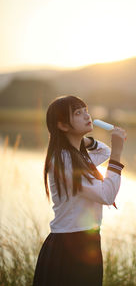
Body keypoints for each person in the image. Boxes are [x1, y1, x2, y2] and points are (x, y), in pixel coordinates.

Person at [32, 95, 127, 286]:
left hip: (86, 241)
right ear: (63, 125)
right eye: (78, 113)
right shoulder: (64, 161)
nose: (87, 115)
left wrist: (84, 142)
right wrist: (118, 151)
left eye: (85, 110)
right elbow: (106, 195)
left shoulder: (75, 156)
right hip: (68, 247)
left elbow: (104, 152)